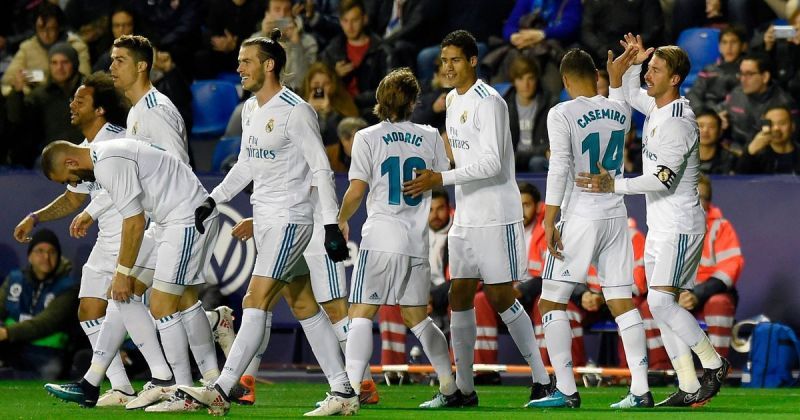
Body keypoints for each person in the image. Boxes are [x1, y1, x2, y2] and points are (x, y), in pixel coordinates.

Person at [177, 30, 351, 417]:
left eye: (246, 61)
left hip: (292, 218)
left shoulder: (295, 110)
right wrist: (214, 198)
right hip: (269, 218)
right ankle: (343, 391)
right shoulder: (253, 109)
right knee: (304, 303)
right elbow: (246, 165)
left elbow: (322, 169)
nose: (238, 68)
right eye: (239, 61)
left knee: (255, 299)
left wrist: (329, 225)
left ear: (269, 65)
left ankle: (221, 388)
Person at [577, 33, 729, 407]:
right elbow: (630, 95)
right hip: (662, 224)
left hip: (679, 224)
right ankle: (690, 384)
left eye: (656, 70)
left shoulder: (678, 121)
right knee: (662, 306)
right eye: (649, 69)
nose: (649, 75)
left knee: (661, 304)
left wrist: (616, 185)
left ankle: (713, 362)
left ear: (675, 78)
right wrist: (630, 65)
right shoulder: (660, 108)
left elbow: (663, 178)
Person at [403, 30, 551, 407]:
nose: (447, 67)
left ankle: (542, 379)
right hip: (465, 216)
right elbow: (460, 157)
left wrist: (442, 178)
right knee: (459, 294)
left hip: (496, 214)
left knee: (502, 296)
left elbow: (493, 163)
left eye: (454, 59)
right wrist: (434, 166)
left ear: (472, 60)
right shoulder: (452, 100)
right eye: (443, 59)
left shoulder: (491, 102)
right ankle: (463, 389)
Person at [38, 134, 221, 410]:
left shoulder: (108, 161)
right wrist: (92, 214)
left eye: (67, 178)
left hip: (186, 218)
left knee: (162, 303)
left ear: (72, 161)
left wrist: (121, 271)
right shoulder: (106, 156)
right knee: (126, 293)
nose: (73, 184)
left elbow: (134, 221)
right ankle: (153, 378)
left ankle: (180, 391)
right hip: (167, 221)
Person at [12, 72, 149, 406]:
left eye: (81, 99)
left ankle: (196, 338)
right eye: (72, 98)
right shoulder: (83, 149)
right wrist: (36, 216)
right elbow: (74, 197)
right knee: (89, 309)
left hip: (133, 231)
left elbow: (127, 187)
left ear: (99, 109)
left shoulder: (116, 139)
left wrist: (92, 211)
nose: (72, 104)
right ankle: (120, 387)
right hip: (107, 238)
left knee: (146, 309)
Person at [526, 48, 651, 409]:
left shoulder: (562, 112)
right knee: (622, 302)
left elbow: (560, 165)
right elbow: (614, 103)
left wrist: (549, 218)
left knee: (551, 299)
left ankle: (565, 389)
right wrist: (615, 82)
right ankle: (640, 390)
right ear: (594, 76)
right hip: (615, 214)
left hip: (581, 213)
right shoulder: (619, 110)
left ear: (565, 80)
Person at [335, 67, 456, 413]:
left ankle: (349, 393)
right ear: (414, 102)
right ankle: (449, 386)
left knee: (360, 313)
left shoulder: (367, 137)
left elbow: (357, 190)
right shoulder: (431, 135)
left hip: (382, 236)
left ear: (379, 100)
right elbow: (439, 176)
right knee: (417, 317)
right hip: (416, 240)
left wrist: (340, 219)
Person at [640, 175, 744, 365]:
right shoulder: (664, 228)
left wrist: (697, 294)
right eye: (688, 194)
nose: (692, 199)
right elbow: (655, 269)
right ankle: (662, 367)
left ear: (709, 202)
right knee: (649, 306)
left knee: (719, 303)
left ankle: (717, 368)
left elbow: (730, 267)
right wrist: (676, 293)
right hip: (676, 292)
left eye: (699, 196)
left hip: (709, 294)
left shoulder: (721, 227)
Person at [0, 229, 78, 380]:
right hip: (13, 347)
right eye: (40, 251)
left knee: (52, 370)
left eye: (52, 252)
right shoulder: (15, 279)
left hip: (48, 353)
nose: (46, 257)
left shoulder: (68, 287)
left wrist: (6, 333)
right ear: (29, 256)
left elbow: (47, 322)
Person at [110, 35, 189, 165]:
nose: (112, 67)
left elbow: (179, 168)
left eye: (120, 60)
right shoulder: (135, 110)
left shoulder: (156, 110)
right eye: (113, 60)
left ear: (141, 66)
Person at [5, 42, 84, 167]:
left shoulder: (90, 90)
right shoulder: (40, 95)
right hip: (51, 159)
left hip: (85, 154)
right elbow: (16, 118)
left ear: (74, 64)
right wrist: (17, 93)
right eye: (54, 63)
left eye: (65, 62)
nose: (59, 68)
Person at [1, 3, 90, 96]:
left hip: (67, 97)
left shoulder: (76, 46)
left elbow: (85, 80)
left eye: (51, 29)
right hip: (37, 101)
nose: (45, 35)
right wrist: (25, 80)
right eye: (41, 29)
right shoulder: (28, 46)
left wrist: (38, 76)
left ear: (59, 28)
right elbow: (8, 78)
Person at [320, 0, 389, 115]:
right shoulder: (332, 50)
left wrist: (354, 101)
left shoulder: (382, 50)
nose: (350, 27)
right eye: (345, 21)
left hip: (372, 111)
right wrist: (335, 76)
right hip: (338, 110)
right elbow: (319, 85)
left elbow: (388, 91)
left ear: (364, 19)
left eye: (355, 20)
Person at [721, 53, 798, 150]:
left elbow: (791, 142)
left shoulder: (784, 103)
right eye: (741, 73)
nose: (743, 79)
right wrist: (719, 118)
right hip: (734, 151)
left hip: (766, 156)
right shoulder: (736, 93)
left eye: (749, 74)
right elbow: (721, 111)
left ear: (765, 77)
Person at [503, 55, 558, 172]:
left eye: (530, 78)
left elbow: (552, 143)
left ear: (537, 79)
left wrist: (524, 155)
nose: (526, 84)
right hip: (513, 159)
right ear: (513, 81)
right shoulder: (504, 105)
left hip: (538, 158)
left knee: (536, 162)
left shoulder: (550, 104)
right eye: (520, 79)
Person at [251, 0, 318, 90]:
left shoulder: (308, 42)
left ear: (292, 14)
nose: (282, 15)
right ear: (267, 14)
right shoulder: (255, 40)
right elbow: (253, 78)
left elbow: (302, 81)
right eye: (277, 10)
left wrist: (296, 45)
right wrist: (264, 36)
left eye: (287, 10)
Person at [193, 0, 267, 80]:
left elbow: (259, 35)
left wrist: (236, 44)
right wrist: (219, 42)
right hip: (219, 51)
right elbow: (207, 31)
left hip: (244, 51)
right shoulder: (216, 4)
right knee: (201, 57)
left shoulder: (259, 6)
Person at [580, 0, 664, 66]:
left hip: (633, 50)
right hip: (601, 52)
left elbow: (652, 30)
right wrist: (601, 49)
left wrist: (627, 49)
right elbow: (586, 30)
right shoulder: (594, 2)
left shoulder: (647, 2)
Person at [686, 26, 748, 113]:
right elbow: (693, 94)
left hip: (730, 115)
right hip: (705, 114)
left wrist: (715, 114)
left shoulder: (747, 71)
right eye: (724, 42)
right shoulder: (709, 69)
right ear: (719, 47)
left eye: (733, 42)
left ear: (743, 46)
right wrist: (702, 112)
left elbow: (739, 99)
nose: (729, 47)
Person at [302, 62, 360, 146]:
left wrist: (329, 114)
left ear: (333, 84)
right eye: (316, 84)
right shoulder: (297, 104)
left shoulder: (344, 104)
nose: (320, 88)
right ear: (309, 84)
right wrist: (308, 112)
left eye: (326, 84)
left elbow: (340, 138)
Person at [737, 105, 800, 173]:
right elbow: (740, 178)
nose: (776, 128)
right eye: (771, 124)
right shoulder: (758, 156)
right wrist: (749, 152)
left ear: (792, 126)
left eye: (782, 123)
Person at [92, 7, 136, 73]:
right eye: (116, 25)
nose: (121, 29)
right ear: (112, 28)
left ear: (133, 26)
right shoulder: (104, 55)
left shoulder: (146, 50)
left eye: (126, 25)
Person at [696, 109, 738, 174]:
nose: (705, 130)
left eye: (711, 127)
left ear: (720, 132)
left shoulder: (731, 160)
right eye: (700, 126)